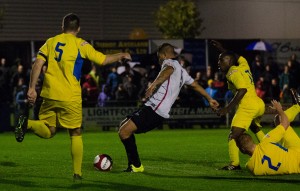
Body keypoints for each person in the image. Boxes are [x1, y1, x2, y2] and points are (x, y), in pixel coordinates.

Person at [14, 13, 132, 180]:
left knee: (49, 130)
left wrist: (32, 88)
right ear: (78, 29)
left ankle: (27, 123)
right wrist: (121, 54)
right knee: (75, 132)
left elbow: (38, 64)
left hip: (49, 95)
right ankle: (77, 173)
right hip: (70, 96)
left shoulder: (51, 41)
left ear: (62, 27)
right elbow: (103, 60)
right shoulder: (80, 44)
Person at [118, 43, 219, 172]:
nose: (158, 59)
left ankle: (136, 166)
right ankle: (134, 165)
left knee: (124, 132)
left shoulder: (169, 63)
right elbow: (195, 85)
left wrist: (153, 85)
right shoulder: (182, 71)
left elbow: (168, 70)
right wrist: (209, 99)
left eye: (158, 56)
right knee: (124, 127)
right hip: (153, 108)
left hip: (155, 109)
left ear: (164, 55)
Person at [210, 40, 266, 170]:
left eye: (222, 60)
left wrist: (227, 109)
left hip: (247, 106)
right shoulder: (244, 65)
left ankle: (234, 164)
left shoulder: (232, 72)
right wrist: (222, 49)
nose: (219, 63)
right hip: (258, 104)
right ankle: (273, 148)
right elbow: (235, 56)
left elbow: (242, 90)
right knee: (255, 128)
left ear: (229, 62)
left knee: (233, 135)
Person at [236, 94, 300, 175]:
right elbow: (285, 123)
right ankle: (298, 106)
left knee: (279, 119)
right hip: (297, 153)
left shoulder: (251, 167)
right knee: (279, 118)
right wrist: (280, 110)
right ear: (252, 140)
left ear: (242, 150)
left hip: (295, 167)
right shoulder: (266, 141)